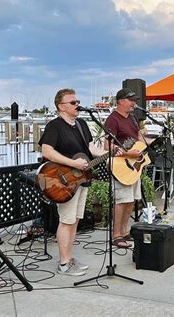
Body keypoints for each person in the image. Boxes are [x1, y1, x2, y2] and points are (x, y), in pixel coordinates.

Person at [39, 88, 110, 276]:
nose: (78, 104)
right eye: (73, 102)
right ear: (61, 106)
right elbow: (46, 151)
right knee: (66, 220)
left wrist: (110, 153)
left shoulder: (81, 124)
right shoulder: (55, 126)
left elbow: (90, 148)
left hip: (81, 180)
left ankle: (69, 258)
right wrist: (72, 163)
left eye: (78, 101)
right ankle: (63, 263)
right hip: (64, 181)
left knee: (75, 220)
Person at [104, 88, 150, 249]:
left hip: (133, 166)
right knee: (121, 200)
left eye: (135, 100)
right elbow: (107, 145)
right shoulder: (112, 119)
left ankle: (124, 232)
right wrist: (128, 154)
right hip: (120, 165)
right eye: (131, 100)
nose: (134, 103)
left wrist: (153, 140)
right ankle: (115, 235)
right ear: (121, 101)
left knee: (131, 200)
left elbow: (138, 138)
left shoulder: (131, 118)